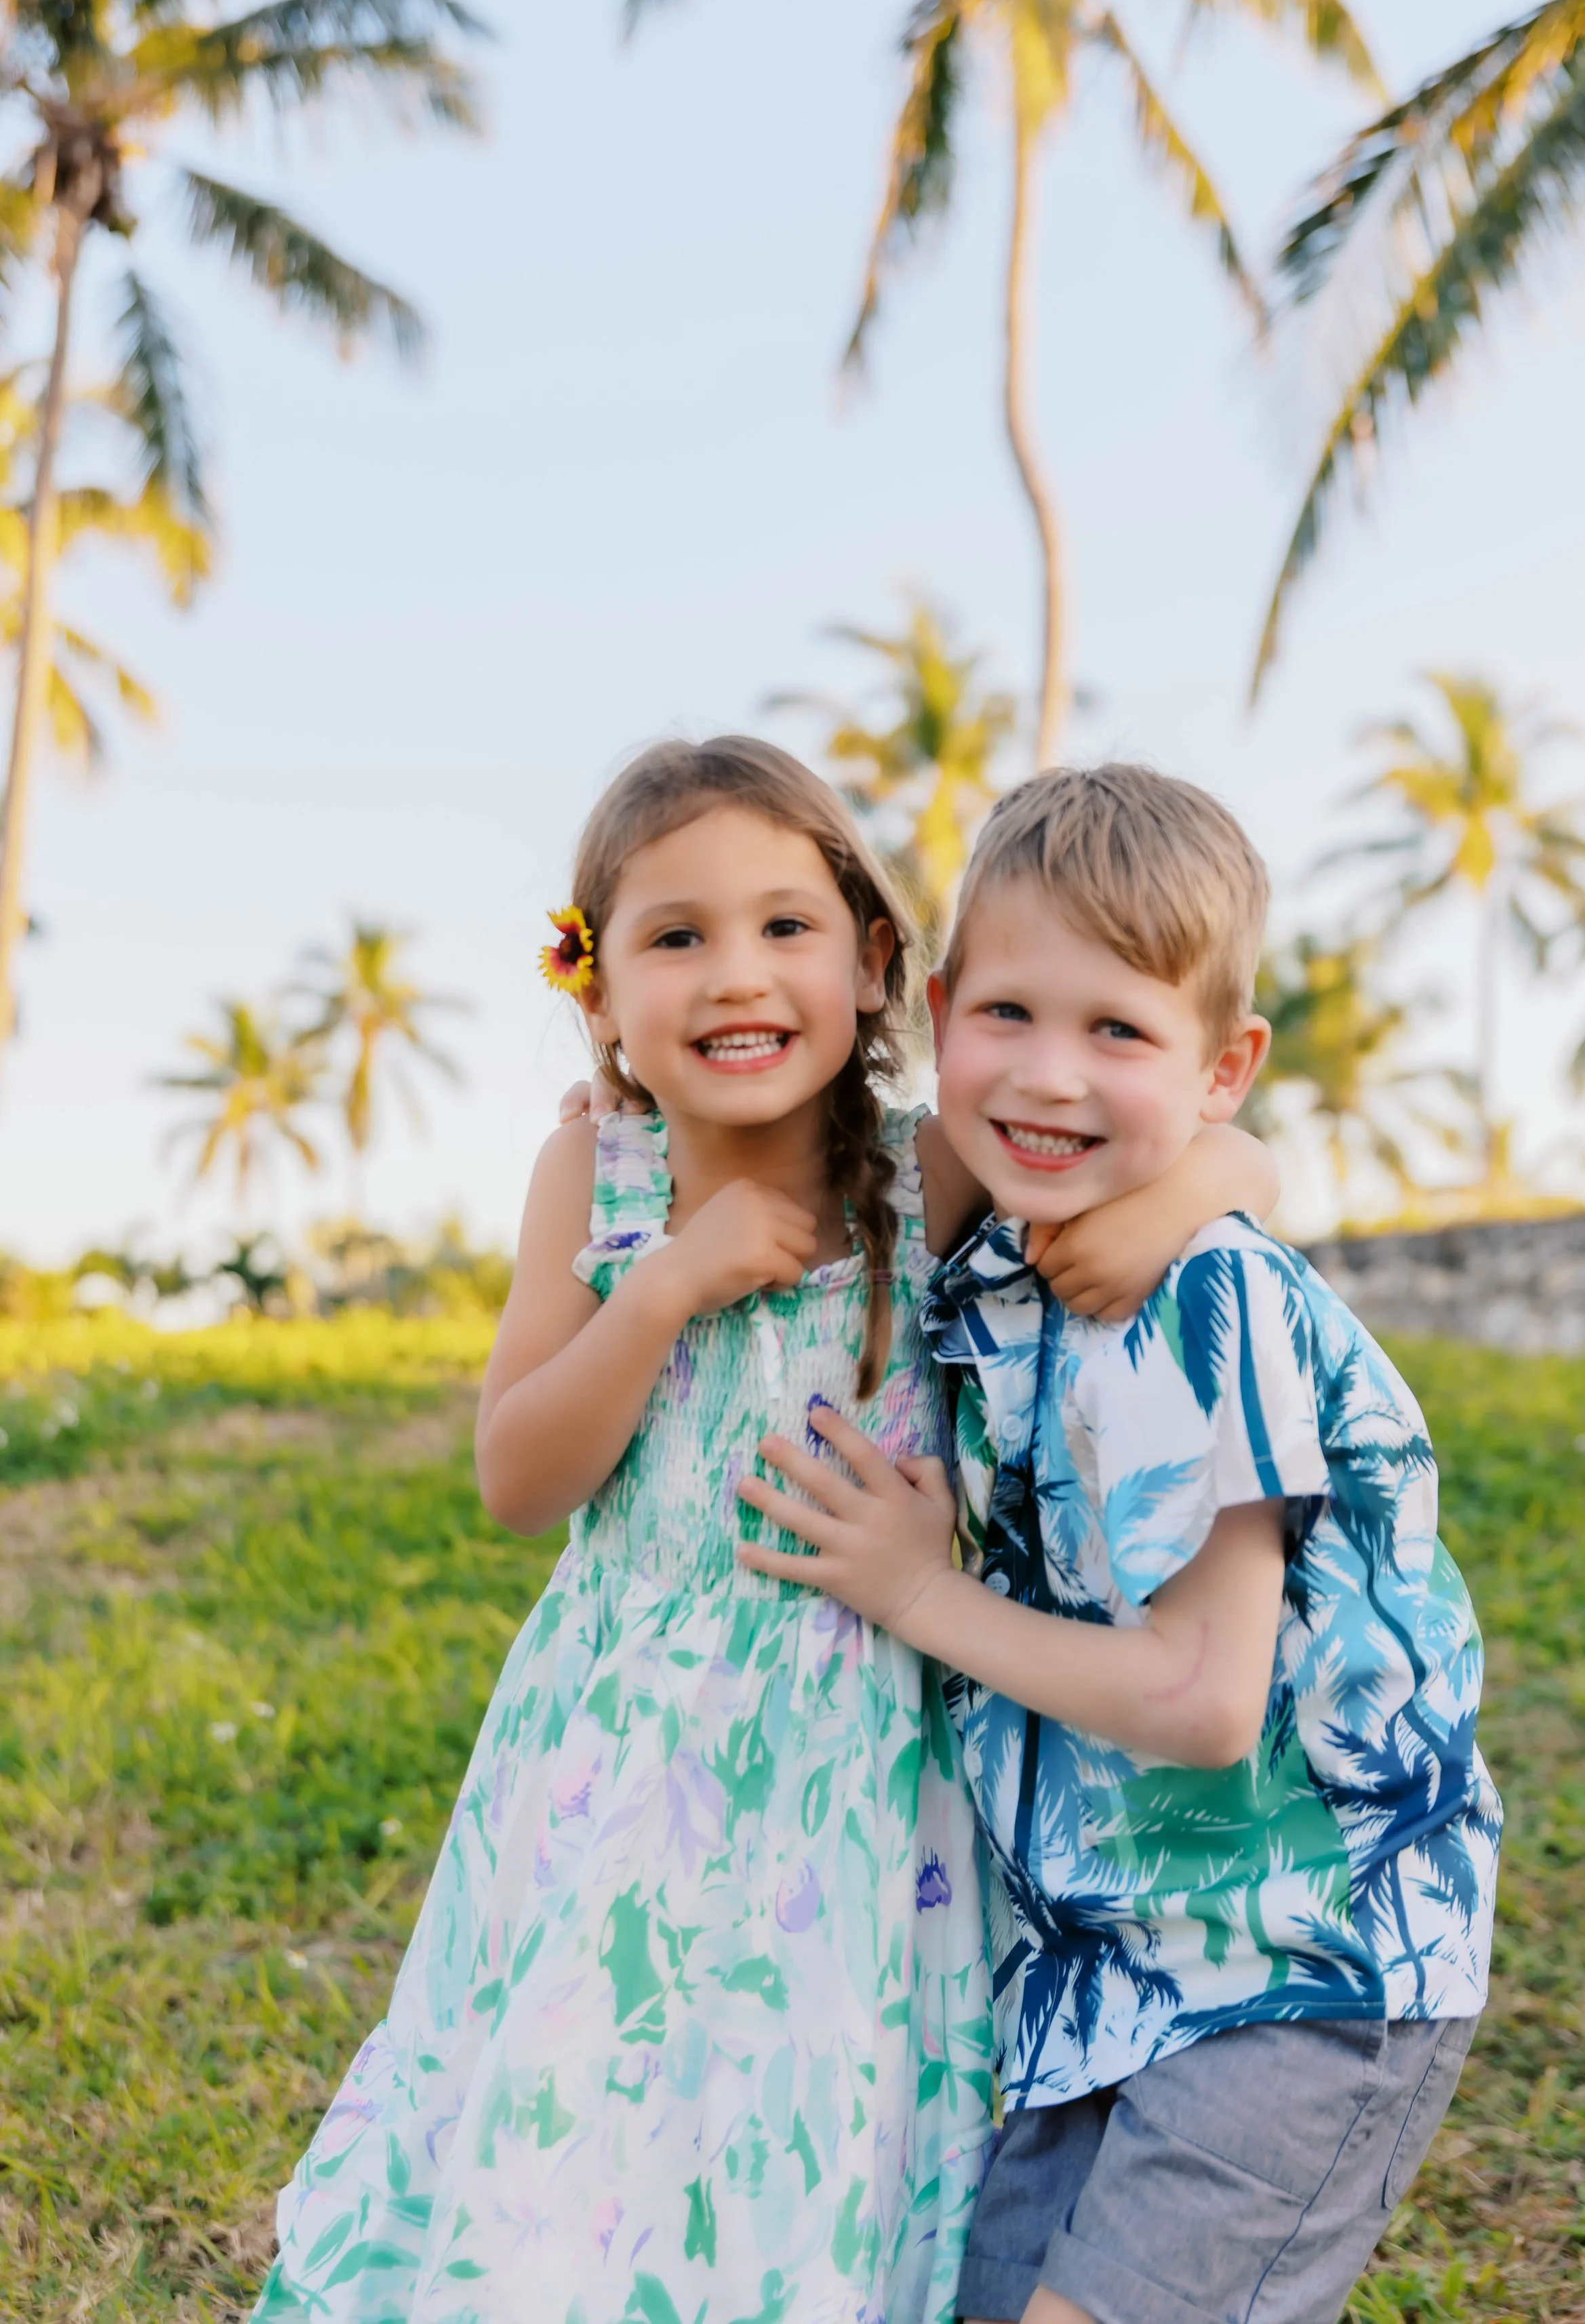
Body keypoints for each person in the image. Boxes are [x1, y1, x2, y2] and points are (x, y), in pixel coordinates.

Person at [252, 737, 1277, 2324]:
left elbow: (1234, 1159)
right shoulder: (595, 1176)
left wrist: (1155, 1213)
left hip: (853, 1764)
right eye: (675, 937)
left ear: (875, 965)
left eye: (785, 928)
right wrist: (659, 1285)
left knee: (800, 2106)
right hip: (619, 1750)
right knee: (587, 2095)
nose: (737, 975)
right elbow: (518, 1477)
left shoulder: (934, 1171)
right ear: (596, 995)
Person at [738, 761, 1504, 2324]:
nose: (1048, 1076)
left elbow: (1206, 1697)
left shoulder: (1203, 1297)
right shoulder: (1001, 1266)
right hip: (1101, 1971)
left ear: (1221, 1066)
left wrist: (914, 1591)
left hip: (1304, 1963)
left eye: (1117, 1033)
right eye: (1009, 1016)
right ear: (941, 1011)